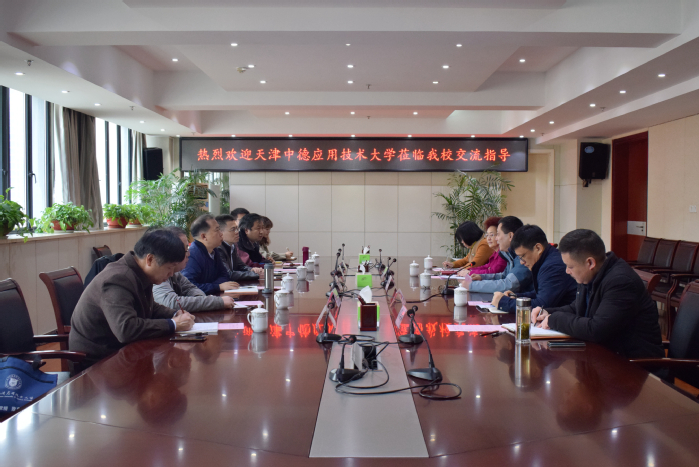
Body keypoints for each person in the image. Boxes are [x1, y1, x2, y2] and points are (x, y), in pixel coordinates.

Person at [69, 229, 195, 366]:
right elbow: (126, 329)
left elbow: (149, 307)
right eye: (169, 268)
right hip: (97, 362)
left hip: (120, 352)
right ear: (150, 259)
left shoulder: (139, 273)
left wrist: (175, 314)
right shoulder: (118, 278)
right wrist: (173, 324)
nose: (171, 274)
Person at [531, 229, 664, 359]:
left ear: (590, 263)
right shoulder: (590, 274)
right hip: (605, 356)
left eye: (570, 266)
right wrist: (547, 312)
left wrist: (555, 319)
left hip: (634, 366)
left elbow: (596, 330)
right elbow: (577, 308)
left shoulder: (620, 281)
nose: (567, 271)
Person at [490, 224, 577, 313]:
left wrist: (503, 302)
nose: (521, 262)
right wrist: (517, 296)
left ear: (538, 248)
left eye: (522, 256)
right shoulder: (546, 259)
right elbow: (541, 292)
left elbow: (542, 305)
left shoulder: (552, 266)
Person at [154, 226, 236, 311]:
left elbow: (191, 289)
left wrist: (204, 301)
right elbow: (172, 303)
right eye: (185, 250)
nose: (189, 254)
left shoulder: (175, 273)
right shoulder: (157, 273)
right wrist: (216, 302)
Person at [464, 216, 533, 294]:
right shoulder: (510, 255)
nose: (496, 239)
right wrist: (482, 277)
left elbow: (509, 285)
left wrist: (471, 286)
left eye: (498, 234)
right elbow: (503, 275)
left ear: (510, 236)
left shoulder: (523, 256)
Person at [182, 214, 240, 294]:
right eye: (217, 230)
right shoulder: (192, 255)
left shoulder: (214, 250)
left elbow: (224, 275)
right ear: (204, 236)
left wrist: (216, 286)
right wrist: (217, 286)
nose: (221, 234)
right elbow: (188, 287)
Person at [215, 214, 262, 280]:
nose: (237, 232)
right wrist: (256, 275)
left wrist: (253, 270)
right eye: (233, 229)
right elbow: (228, 274)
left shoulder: (232, 246)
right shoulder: (218, 249)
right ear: (220, 232)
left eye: (237, 229)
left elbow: (241, 266)